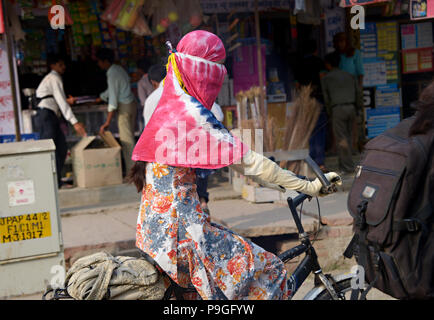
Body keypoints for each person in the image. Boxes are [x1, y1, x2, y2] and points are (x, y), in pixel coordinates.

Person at [128, 30, 341, 300]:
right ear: (202, 73)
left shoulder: (167, 105)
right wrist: (306, 185)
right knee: (270, 269)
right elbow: (250, 164)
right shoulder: (191, 114)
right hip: (183, 236)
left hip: (153, 232)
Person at [143, 63, 224, 214]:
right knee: (194, 186)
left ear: (154, 83)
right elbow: (218, 115)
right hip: (194, 154)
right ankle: (202, 203)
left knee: (173, 201)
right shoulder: (190, 91)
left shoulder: (152, 99)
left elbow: (149, 134)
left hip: (167, 159)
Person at [34, 54, 87, 188]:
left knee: (61, 148)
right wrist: (74, 121)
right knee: (49, 150)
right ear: (53, 66)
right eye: (60, 65)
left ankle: (56, 181)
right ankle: (48, 182)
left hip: (50, 115)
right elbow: (60, 100)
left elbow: (58, 99)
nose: (63, 67)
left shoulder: (54, 78)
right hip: (46, 115)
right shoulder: (54, 78)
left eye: (63, 65)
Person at [95, 48, 136, 173]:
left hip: (124, 108)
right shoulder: (119, 69)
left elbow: (113, 100)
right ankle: (135, 171)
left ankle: (133, 172)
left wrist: (107, 122)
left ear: (105, 61)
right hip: (131, 105)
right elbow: (115, 90)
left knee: (127, 142)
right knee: (130, 139)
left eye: (99, 61)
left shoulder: (111, 73)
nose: (98, 64)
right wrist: (102, 96)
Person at [321, 52, 362, 175]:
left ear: (328, 64)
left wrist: (330, 113)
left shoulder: (327, 78)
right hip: (351, 108)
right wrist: (358, 108)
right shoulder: (350, 76)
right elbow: (358, 93)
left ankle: (348, 167)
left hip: (337, 109)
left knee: (341, 139)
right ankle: (345, 164)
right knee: (348, 137)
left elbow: (326, 98)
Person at [294, 39, 328, 172]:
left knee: (309, 131)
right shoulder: (319, 62)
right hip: (318, 100)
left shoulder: (299, 63)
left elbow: (296, 84)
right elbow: (323, 80)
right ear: (315, 50)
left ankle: (311, 160)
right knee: (319, 130)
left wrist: (303, 94)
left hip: (305, 101)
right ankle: (320, 163)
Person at [136, 58, 154, 134]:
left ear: (140, 70)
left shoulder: (141, 82)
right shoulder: (157, 78)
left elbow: (143, 102)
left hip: (149, 112)